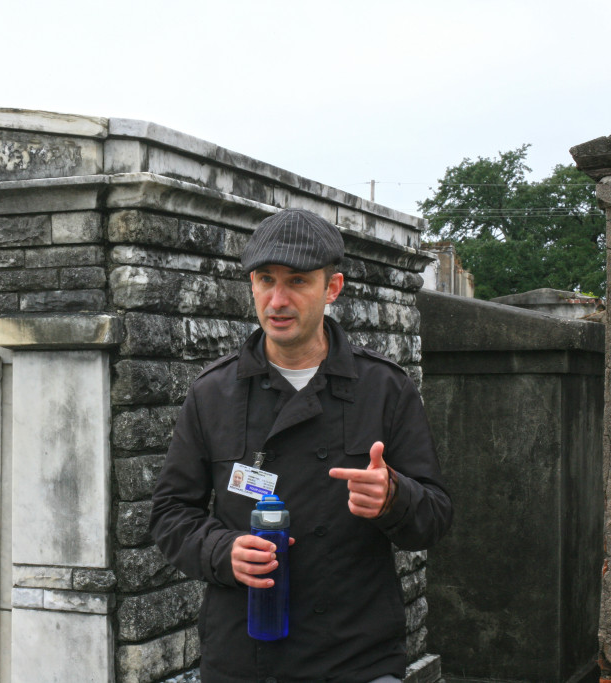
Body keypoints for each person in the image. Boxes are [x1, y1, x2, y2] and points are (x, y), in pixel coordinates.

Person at [150, 208, 452, 683]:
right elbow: (170, 513)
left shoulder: (385, 389)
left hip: (356, 657)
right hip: (244, 657)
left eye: (297, 281)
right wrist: (222, 551)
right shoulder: (212, 393)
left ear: (332, 288)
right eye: (265, 279)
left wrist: (394, 496)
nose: (278, 299)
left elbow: (434, 518)